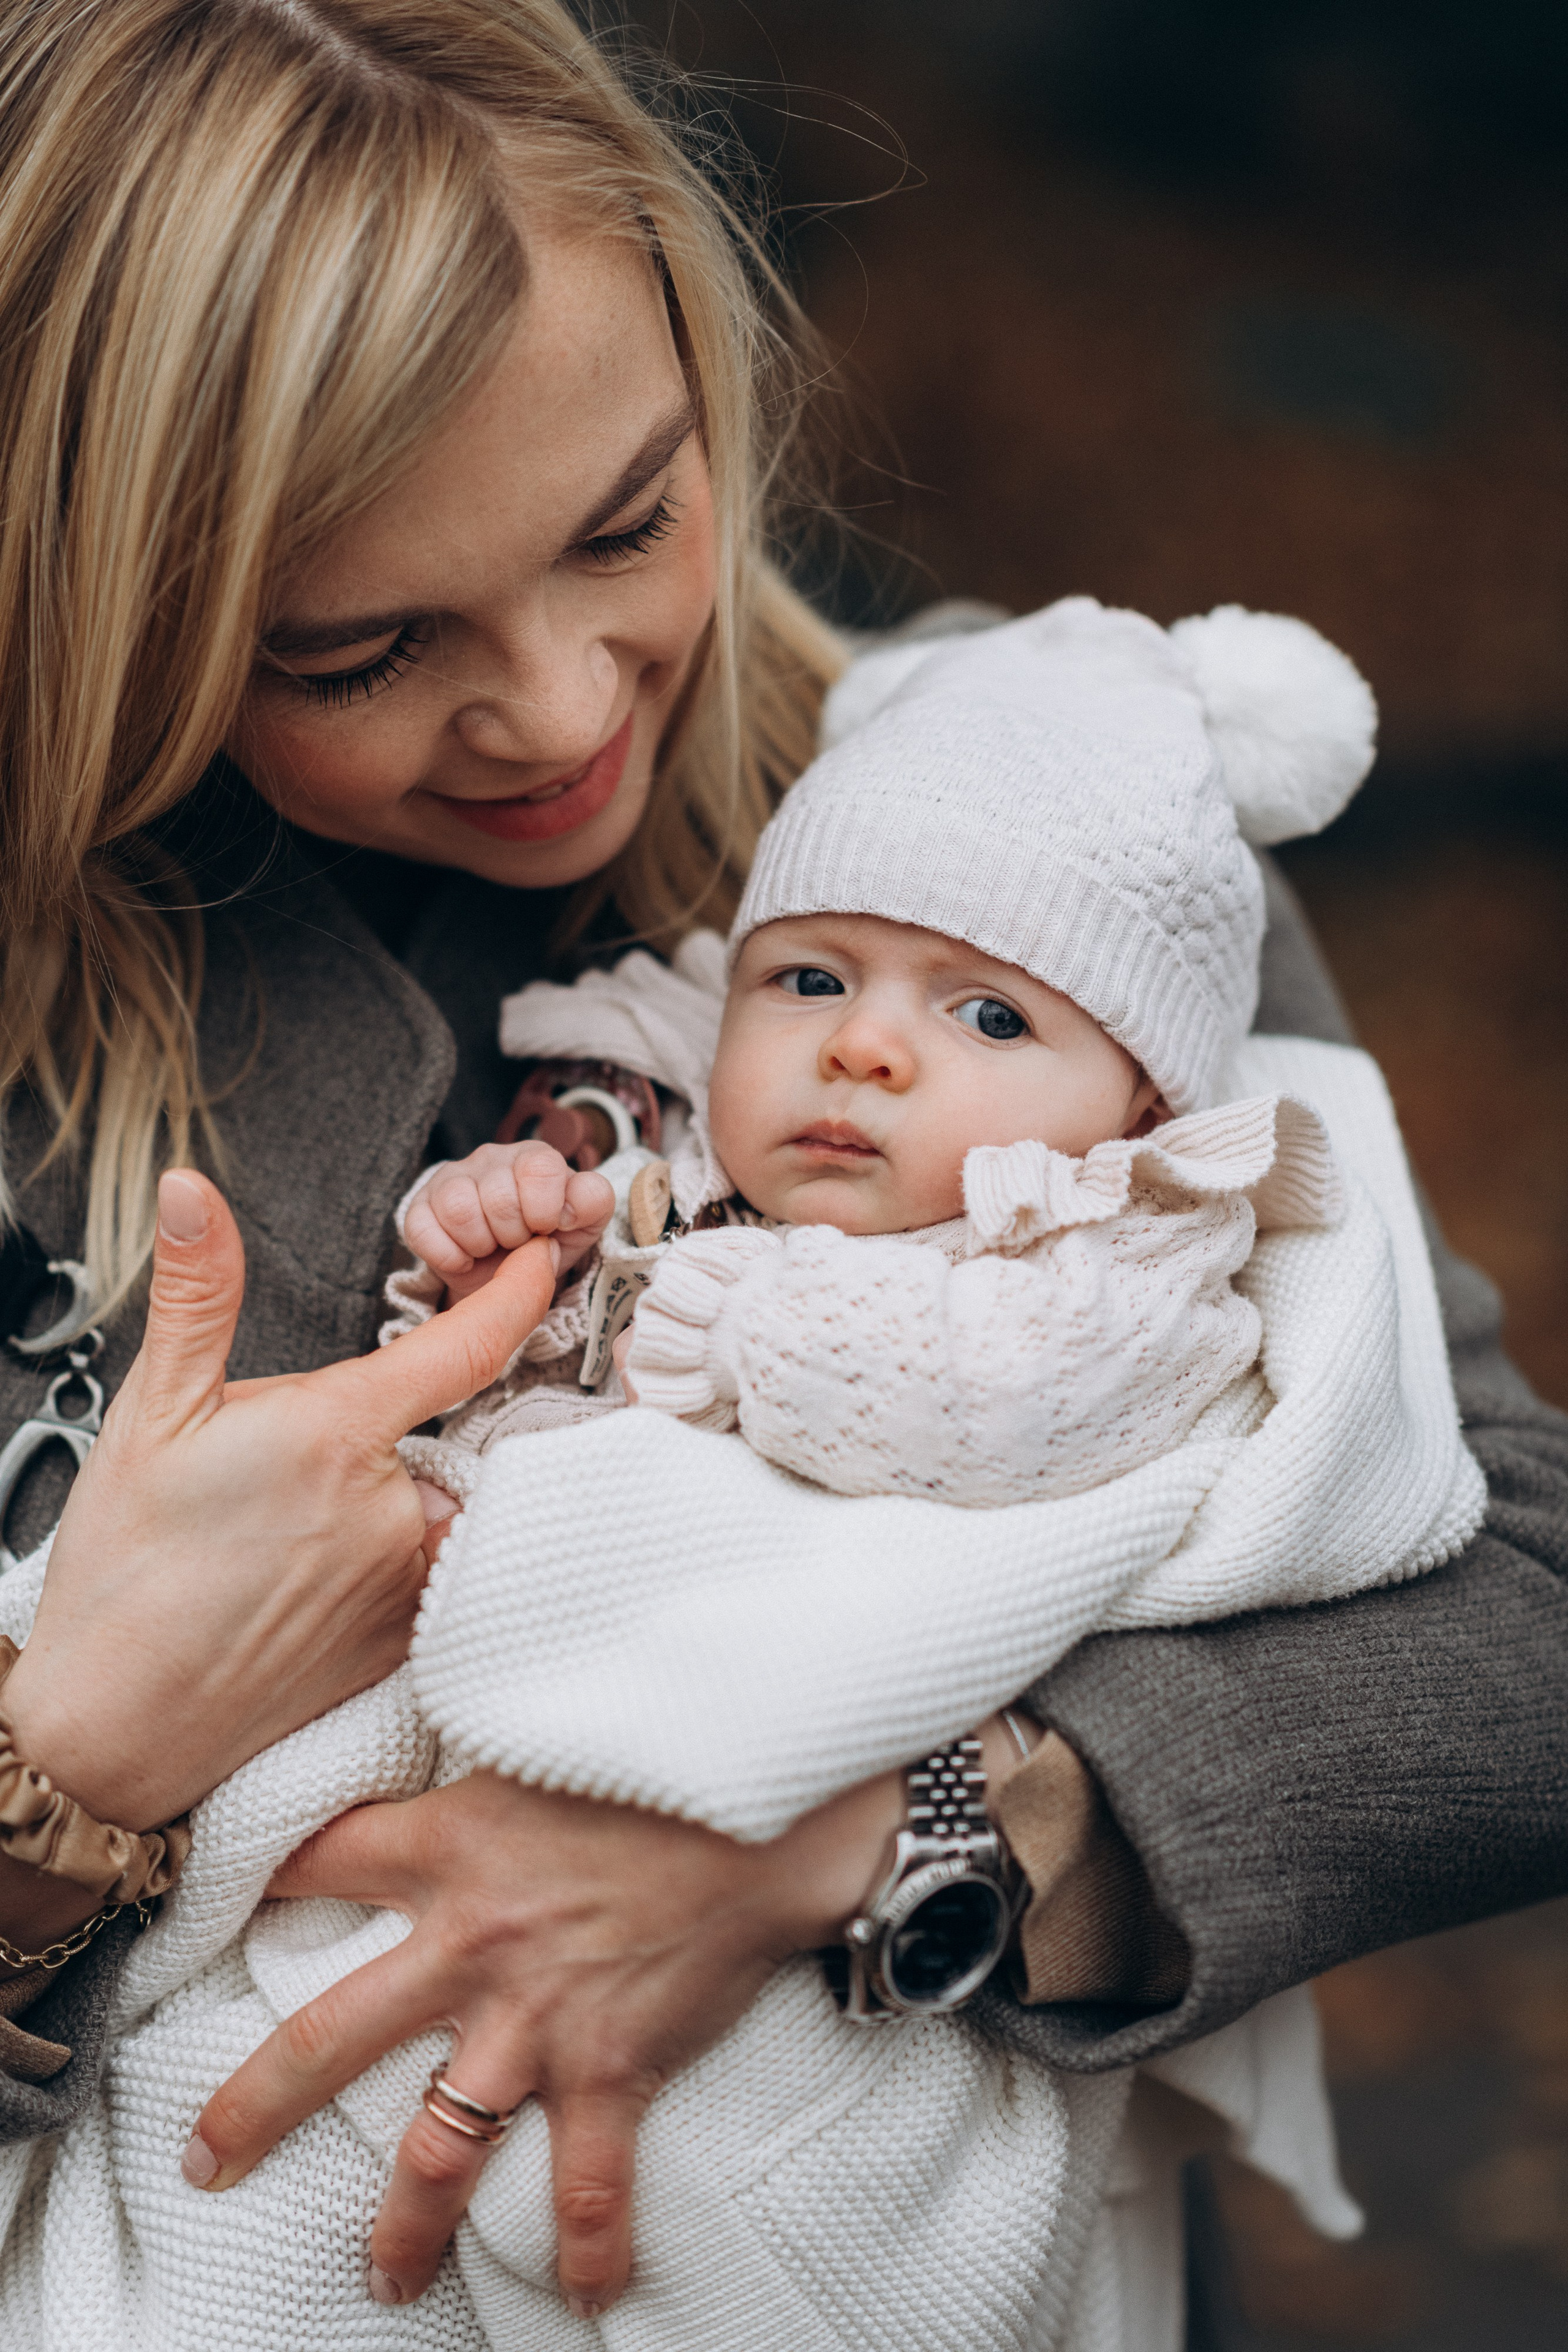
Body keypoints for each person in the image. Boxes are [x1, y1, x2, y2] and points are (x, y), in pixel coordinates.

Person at [0, 1, 1563, 2340]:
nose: (559, 706)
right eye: (359, 644)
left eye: (629, 518)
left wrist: (890, 1835)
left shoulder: (1043, 825)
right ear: (102, 602)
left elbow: (1520, 1601)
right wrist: (67, 1787)